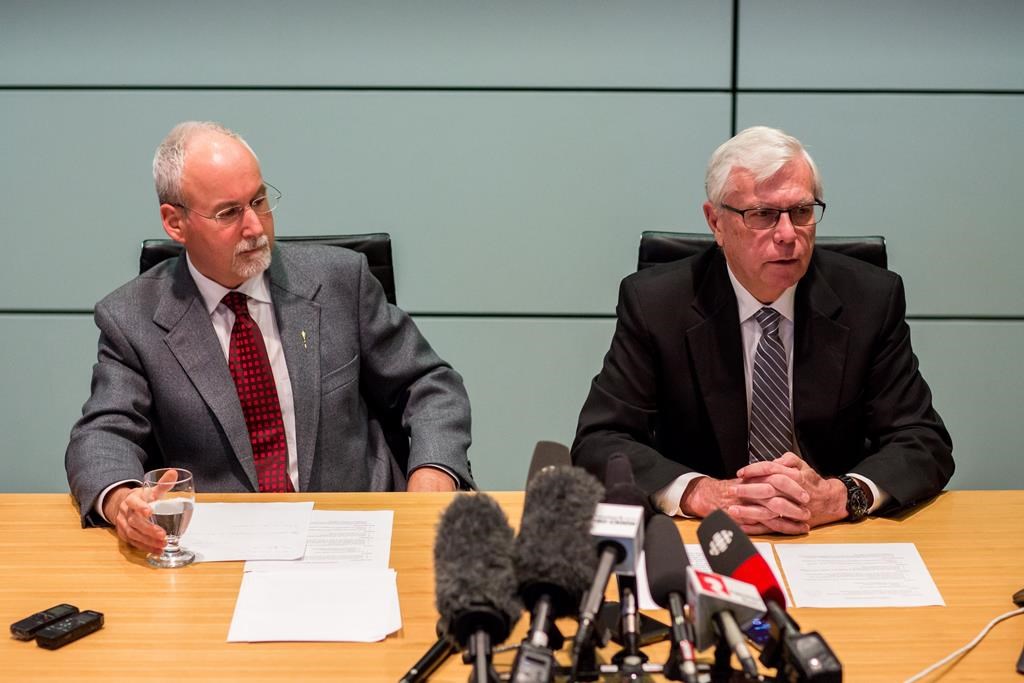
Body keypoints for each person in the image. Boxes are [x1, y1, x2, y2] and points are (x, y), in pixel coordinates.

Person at [66, 121, 473, 554]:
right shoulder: (133, 318)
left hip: (355, 528)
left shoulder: (339, 282)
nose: (255, 227)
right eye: (228, 213)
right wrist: (121, 501)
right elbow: (102, 436)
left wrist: (431, 475)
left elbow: (430, 386)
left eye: (259, 201)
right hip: (220, 550)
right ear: (175, 222)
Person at [572, 126, 953, 535]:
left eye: (802, 212)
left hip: (831, 536)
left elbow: (922, 441)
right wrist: (701, 493)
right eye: (763, 215)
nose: (788, 234)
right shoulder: (655, 304)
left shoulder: (870, 299)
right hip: (706, 537)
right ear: (715, 222)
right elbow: (600, 440)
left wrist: (842, 495)